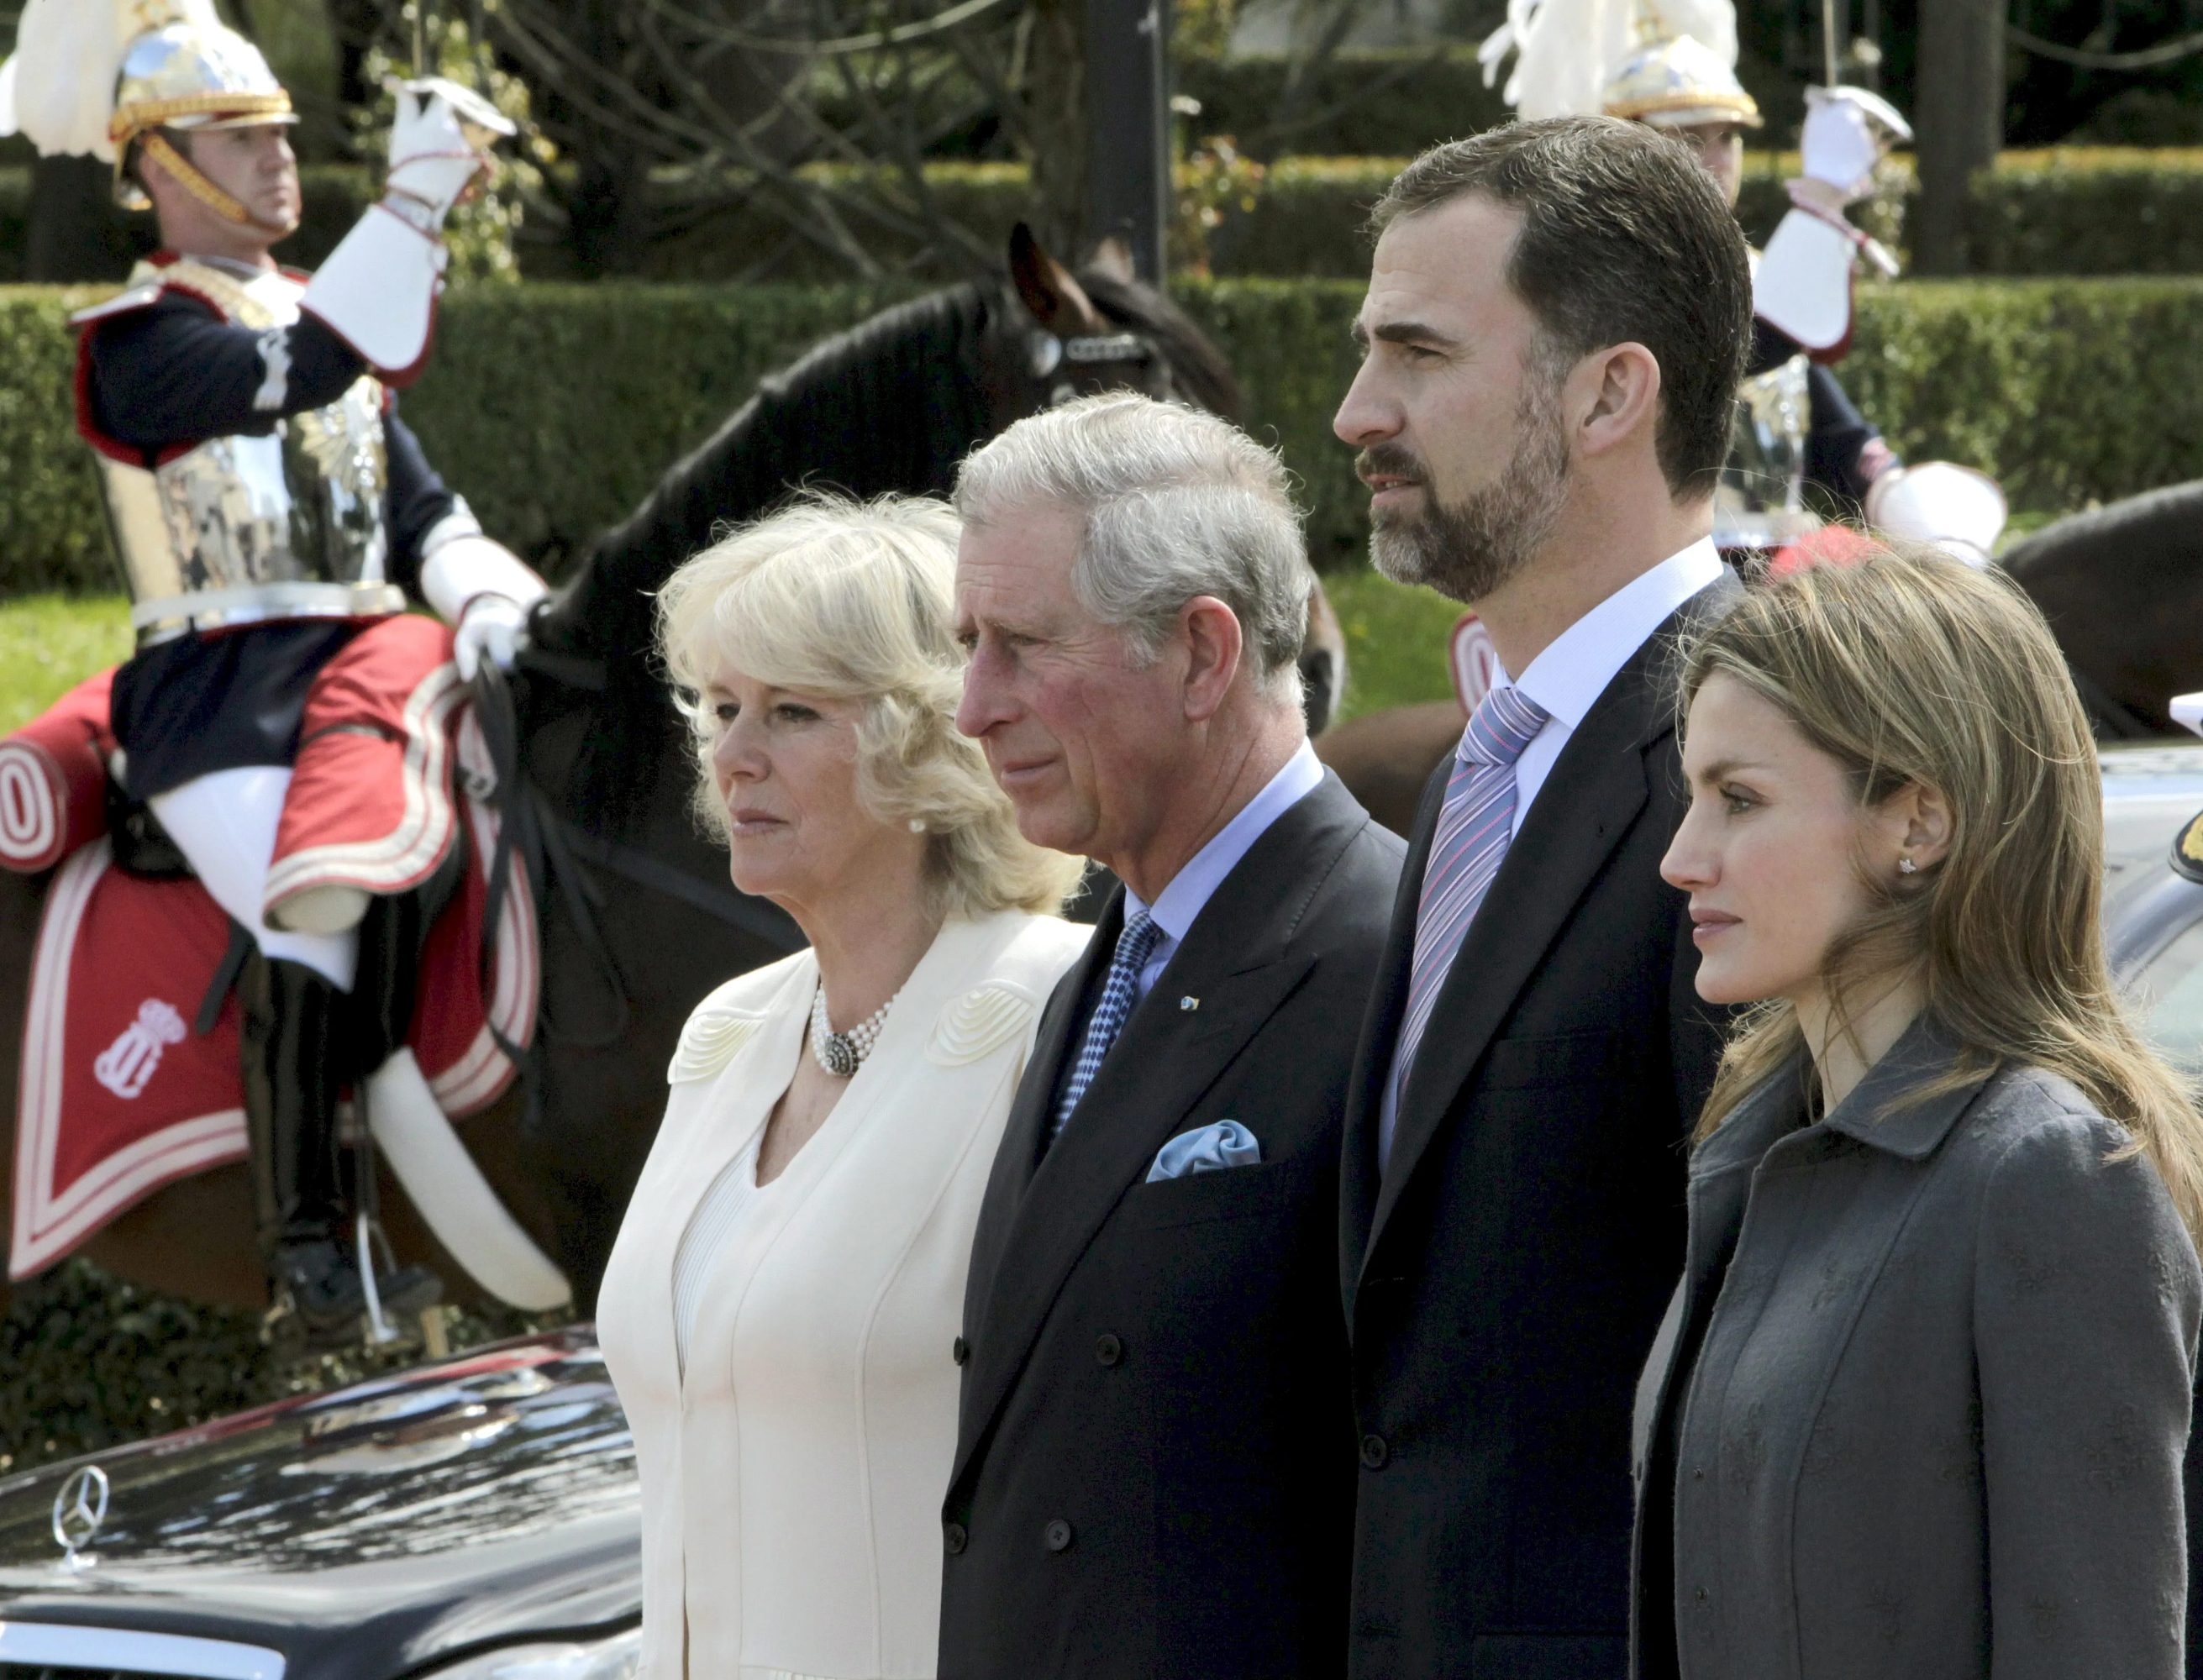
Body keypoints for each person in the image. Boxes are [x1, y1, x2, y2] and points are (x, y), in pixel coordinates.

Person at [0, 2, 549, 1336]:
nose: (276, 161)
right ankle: (309, 1252)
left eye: (281, 135)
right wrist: (416, 201)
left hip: (371, 677)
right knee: (321, 903)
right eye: (236, 139)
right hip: (219, 715)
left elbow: (416, 512)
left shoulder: (324, 315)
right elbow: (297, 372)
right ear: (155, 167)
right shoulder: (133, 342)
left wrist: (492, 595)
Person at [1328, 118, 1746, 1674]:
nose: (1355, 410)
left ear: (1607, 394)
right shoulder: (1475, 770)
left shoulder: (1761, 779)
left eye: (1416, 353)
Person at [1641, 547, 2203, 1678]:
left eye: (1737, 800)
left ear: (1917, 823)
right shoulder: (1752, 1147)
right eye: (1690, 796)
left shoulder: (2046, 1175)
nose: (1679, 859)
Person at [939, 392, 1403, 1677]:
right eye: (966, 642)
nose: (973, 705)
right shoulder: (1115, 955)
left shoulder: (1397, 961)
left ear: (1202, 656)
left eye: (1021, 645)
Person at [596, 494, 1089, 1680]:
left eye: (792, 712)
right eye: (720, 709)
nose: (732, 756)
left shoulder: (1061, 1013)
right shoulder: (730, 1030)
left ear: (932, 736)